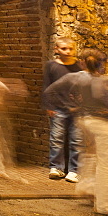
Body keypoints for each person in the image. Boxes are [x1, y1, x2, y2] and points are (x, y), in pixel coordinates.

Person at [43, 48, 108, 216]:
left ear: (82, 62)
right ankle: (105, 206)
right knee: (105, 165)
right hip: (102, 124)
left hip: (83, 121)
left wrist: (70, 106)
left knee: (90, 155)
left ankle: (88, 188)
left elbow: (50, 92)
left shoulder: (74, 77)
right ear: (101, 64)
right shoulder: (107, 80)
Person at [41, 36, 83, 181]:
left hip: (76, 109)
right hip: (58, 108)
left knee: (76, 140)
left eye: (71, 49)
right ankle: (56, 167)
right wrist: (48, 105)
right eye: (64, 49)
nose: (68, 52)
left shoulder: (79, 66)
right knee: (56, 138)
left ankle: (74, 170)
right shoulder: (51, 66)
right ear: (56, 49)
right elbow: (47, 86)